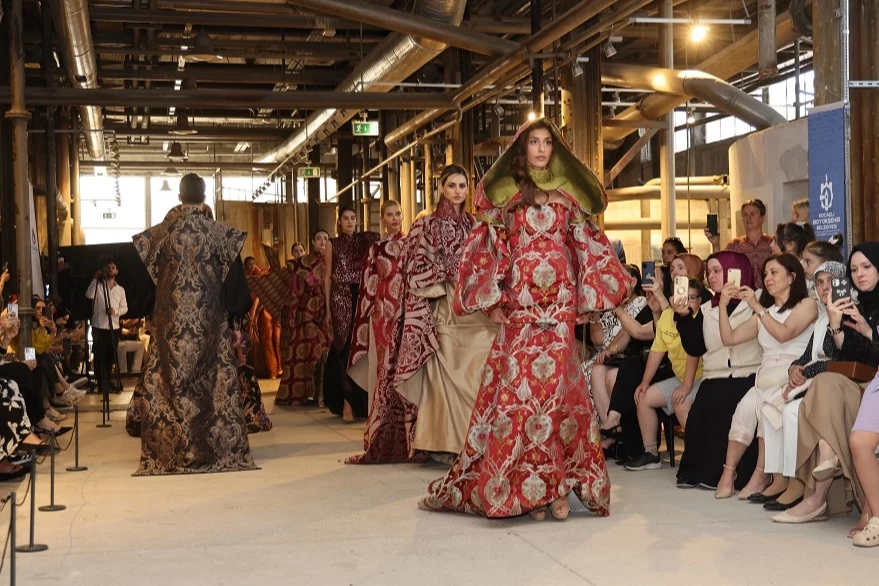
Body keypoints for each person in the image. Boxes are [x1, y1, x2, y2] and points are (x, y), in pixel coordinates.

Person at [418, 118, 633, 520]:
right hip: (522, 306)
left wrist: (588, 298)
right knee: (519, 396)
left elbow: (585, 249)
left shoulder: (568, 199)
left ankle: (553, 489)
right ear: (522, 148)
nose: (541, 149)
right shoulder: (508, 199)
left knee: (556, 395)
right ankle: (524, 489)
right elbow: (491, 251)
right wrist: (493, 300)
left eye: (547, 142)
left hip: (560, 307)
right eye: (534, 142)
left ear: (555, 149)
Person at [127, 173, 256, 475]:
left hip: (169, 327)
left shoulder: (160, 235)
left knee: (170, 386)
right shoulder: (221, 235)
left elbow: (143, 282)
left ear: (179, 197)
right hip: (211, 324)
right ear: (204, 197)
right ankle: (214, 449)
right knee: (212, 388)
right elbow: (236, 287)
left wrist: (149, 313)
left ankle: (171, 450)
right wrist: (235, 321)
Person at [394, 164, 498, 464]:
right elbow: (410, 268)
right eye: (452, 185)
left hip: (474, 305)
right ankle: (448, 445)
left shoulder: (475, 224)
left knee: (480, 364)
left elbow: (490, 261)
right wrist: (444, 270)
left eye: (462, 186)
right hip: (443, 307)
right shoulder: (426, 225)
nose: (457, 191)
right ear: (441, 188)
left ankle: (476, 442)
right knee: (445, 376)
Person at [778, 243, 879, 533]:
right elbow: (843, 357)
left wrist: (865, 330)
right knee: (813, 394)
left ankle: (822, 493)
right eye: (854, 269)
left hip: (864, 383)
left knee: (816, 393)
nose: (859, 274)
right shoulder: (848, 309)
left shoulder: (857, 307)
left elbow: (857, 360)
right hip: (856, 383)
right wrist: (836, 326)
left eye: (867, 267)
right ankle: (819, 475)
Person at [714, 254, 816, 499]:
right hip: (765, 376)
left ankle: (762, 474)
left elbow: (784, 334)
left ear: (791, 277)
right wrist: (723, 305)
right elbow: (729, 338)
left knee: (765, 410)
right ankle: (728, 473)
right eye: (766, 274)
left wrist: (757, 307)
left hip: (793, 375)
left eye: (774, 273)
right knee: (744, 409)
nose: (768, 278)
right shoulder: (765, 312)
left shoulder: (807, 304)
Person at [760, 262, 846, 514]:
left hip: (835, 385)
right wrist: (793, 370)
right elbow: (807, 355)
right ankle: (782, 478)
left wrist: (804, 373)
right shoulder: (822, 318)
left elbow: (838, 359)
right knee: (770, 407)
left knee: (790, 411)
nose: (825, 287)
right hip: (817, 381)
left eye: (830, 281)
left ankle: (797, 482)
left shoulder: (847, 314)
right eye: (819, 282)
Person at [674, 251, 763, 490]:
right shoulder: (707, 309)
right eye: (709, 272)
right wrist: (684, 317)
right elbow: (695, 347)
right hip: (715, 375)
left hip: (749, 373)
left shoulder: (756, 301)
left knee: (732, 403)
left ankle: (739, 475)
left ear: (736, 272)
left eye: (717, 271)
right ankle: (699, 472)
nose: (711, 276)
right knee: (703, 410)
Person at [346, 201, 427, 465]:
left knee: (408, 368)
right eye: (389, 215)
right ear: (382, 219)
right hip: (382, 317)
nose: (394, 218)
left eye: (398, 214)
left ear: (403, 216)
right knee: (384, 371)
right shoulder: (376, 249)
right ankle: (382, 431)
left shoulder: (412, 244)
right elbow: (367, 287)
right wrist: (369, 317)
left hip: (407, 313)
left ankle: (412, 436)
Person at [625, 279, 704, 471]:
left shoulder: (701, 317)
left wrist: (686, 386)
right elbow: (656, 351)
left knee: (681, 403)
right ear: (671, 299)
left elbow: (693, 353)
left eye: (692, 298)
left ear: (700, 301)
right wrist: (644, 382)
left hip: (703, 376)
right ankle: (651, 454)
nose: (686, 302)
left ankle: (698, 458)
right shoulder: (666, 317)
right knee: (643, 397)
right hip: (680, 378)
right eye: (682, 296)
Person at [253, 229, 331, 406]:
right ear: (313, 242)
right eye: (318, 238)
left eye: (325, 239)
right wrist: (292, 315)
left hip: (328, 312)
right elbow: (295, 291)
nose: (322, 242)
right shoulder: (303, 264)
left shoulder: (332, 262)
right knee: (310, 352)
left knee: (327, 352)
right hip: (307, 314)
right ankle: (309, 394)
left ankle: (325, 395)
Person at [323, 206, 380, 421]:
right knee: (344, 347)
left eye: (352, 218)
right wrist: (328, 308)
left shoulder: (365, 240)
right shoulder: (332, 243)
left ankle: (362, 401)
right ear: (339, 222)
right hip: (340, 295)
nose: (349, 221)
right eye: (345, 218)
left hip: (362, 294)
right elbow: (327, 276)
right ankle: (347, 402)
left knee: (362, 347)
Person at [705, 199, 773, 289]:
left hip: (769, 294)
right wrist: (715, 244)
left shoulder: (772, 243)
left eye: (752, 214)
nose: (748, 218)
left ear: (762, 218)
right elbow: (720, 266)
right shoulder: (734, 244)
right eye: (745, 214)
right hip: (741, 294)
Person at [86, 260, 128, 395]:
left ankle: (107, 382)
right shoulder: (98, 286)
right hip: (99, 326)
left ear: (117, 271)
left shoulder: (120, 290)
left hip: (113, 327)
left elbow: (125, 308)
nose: (111, 269)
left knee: (110, 356)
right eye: (108, 268)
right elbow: (89, 295)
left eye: (113, 267)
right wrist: (95, 279)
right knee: (99, 356)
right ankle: (101, 384)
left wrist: (115, 311)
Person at [244, 257, 282, 379]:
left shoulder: (263, 274)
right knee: (265, 337)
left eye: (253, 264)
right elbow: (257, 294)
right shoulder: (256, 275)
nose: (251, 266)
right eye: (249, 264)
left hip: (271, 310)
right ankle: (270, 370)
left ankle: (278, 368)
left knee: (276, 337)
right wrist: (253, 313)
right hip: (260, 310)